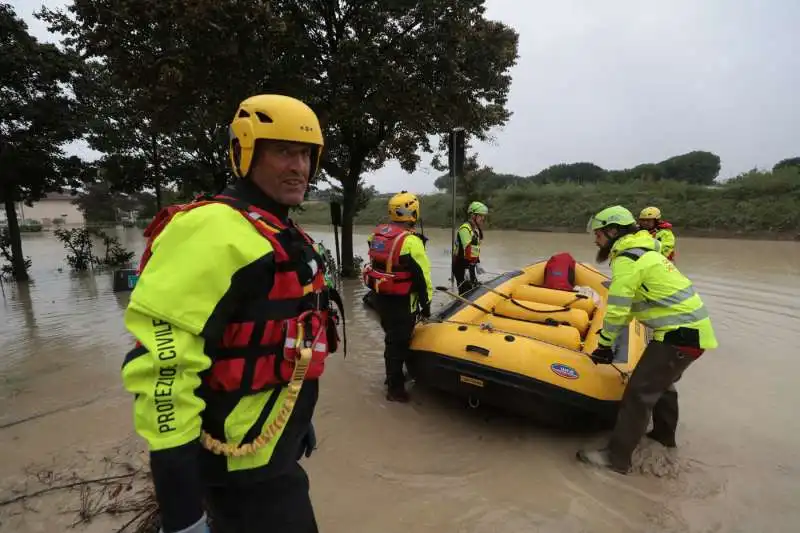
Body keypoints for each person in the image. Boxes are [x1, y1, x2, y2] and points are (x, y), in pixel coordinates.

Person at [121, 94, 343, 533]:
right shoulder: (212, 231)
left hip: (271, 452)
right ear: (245, 153)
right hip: (238, 473)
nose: (298, 166)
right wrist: (183, 514)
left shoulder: (276, 227)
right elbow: (164, 371)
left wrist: (295, 421)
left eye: (305, 153)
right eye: (282, 151)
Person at [577, 205, 717, 474]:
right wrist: (610, 336)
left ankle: (616, 459)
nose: (595, 240)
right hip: (693, 331)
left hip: (679, 334)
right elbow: (633, 304)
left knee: (639, 393)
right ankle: (664, 436)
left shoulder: (628, 258)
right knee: (663, 385)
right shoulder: (646, 251)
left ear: (613, 231)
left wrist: (605, 344)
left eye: (598, 234)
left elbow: (618, 306)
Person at [362, 191, 433, 402]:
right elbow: (423, 277)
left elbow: (379, 257)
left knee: (392, 338)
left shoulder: (376, 234)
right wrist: (426, 303)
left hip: (379, 297)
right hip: (401, 301)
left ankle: (393, 375)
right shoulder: (412, 242)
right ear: (413, 212)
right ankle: (395, 389)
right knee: (398, 342)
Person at [452, 201, 489, 295]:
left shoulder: (475, 230)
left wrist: (478, 263)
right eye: (480, 216)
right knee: (465, 292)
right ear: (473, 216)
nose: (483, 218)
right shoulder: (465, 229)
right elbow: (467, 250)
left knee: (474, 288)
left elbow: (475, 250)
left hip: (470, 264)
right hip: (461, 265)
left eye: (483, 216)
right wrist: (467, 269)